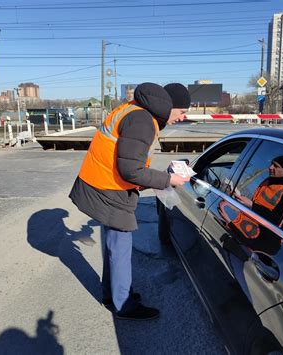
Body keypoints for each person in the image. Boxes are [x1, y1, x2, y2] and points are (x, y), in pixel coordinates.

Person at [69, 82, 191, 321]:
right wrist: (169, 179)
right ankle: (123, 304)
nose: (184, 117)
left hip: (103, 182)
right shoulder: (142, 120)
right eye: (182, 112)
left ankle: (112, 295)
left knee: (114, 246)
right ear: (169, 106)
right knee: (120, 249)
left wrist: (156, 180)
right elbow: (131, 171)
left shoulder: (134, 109)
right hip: (110, 188)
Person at [218, 156, 283, 255]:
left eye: (276, 166)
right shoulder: (268, 182)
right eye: (271, 164)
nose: (270, 167)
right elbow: (257, 206)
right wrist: (240, 203)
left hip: (261, 248)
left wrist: (252, 205)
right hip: (243, 234)